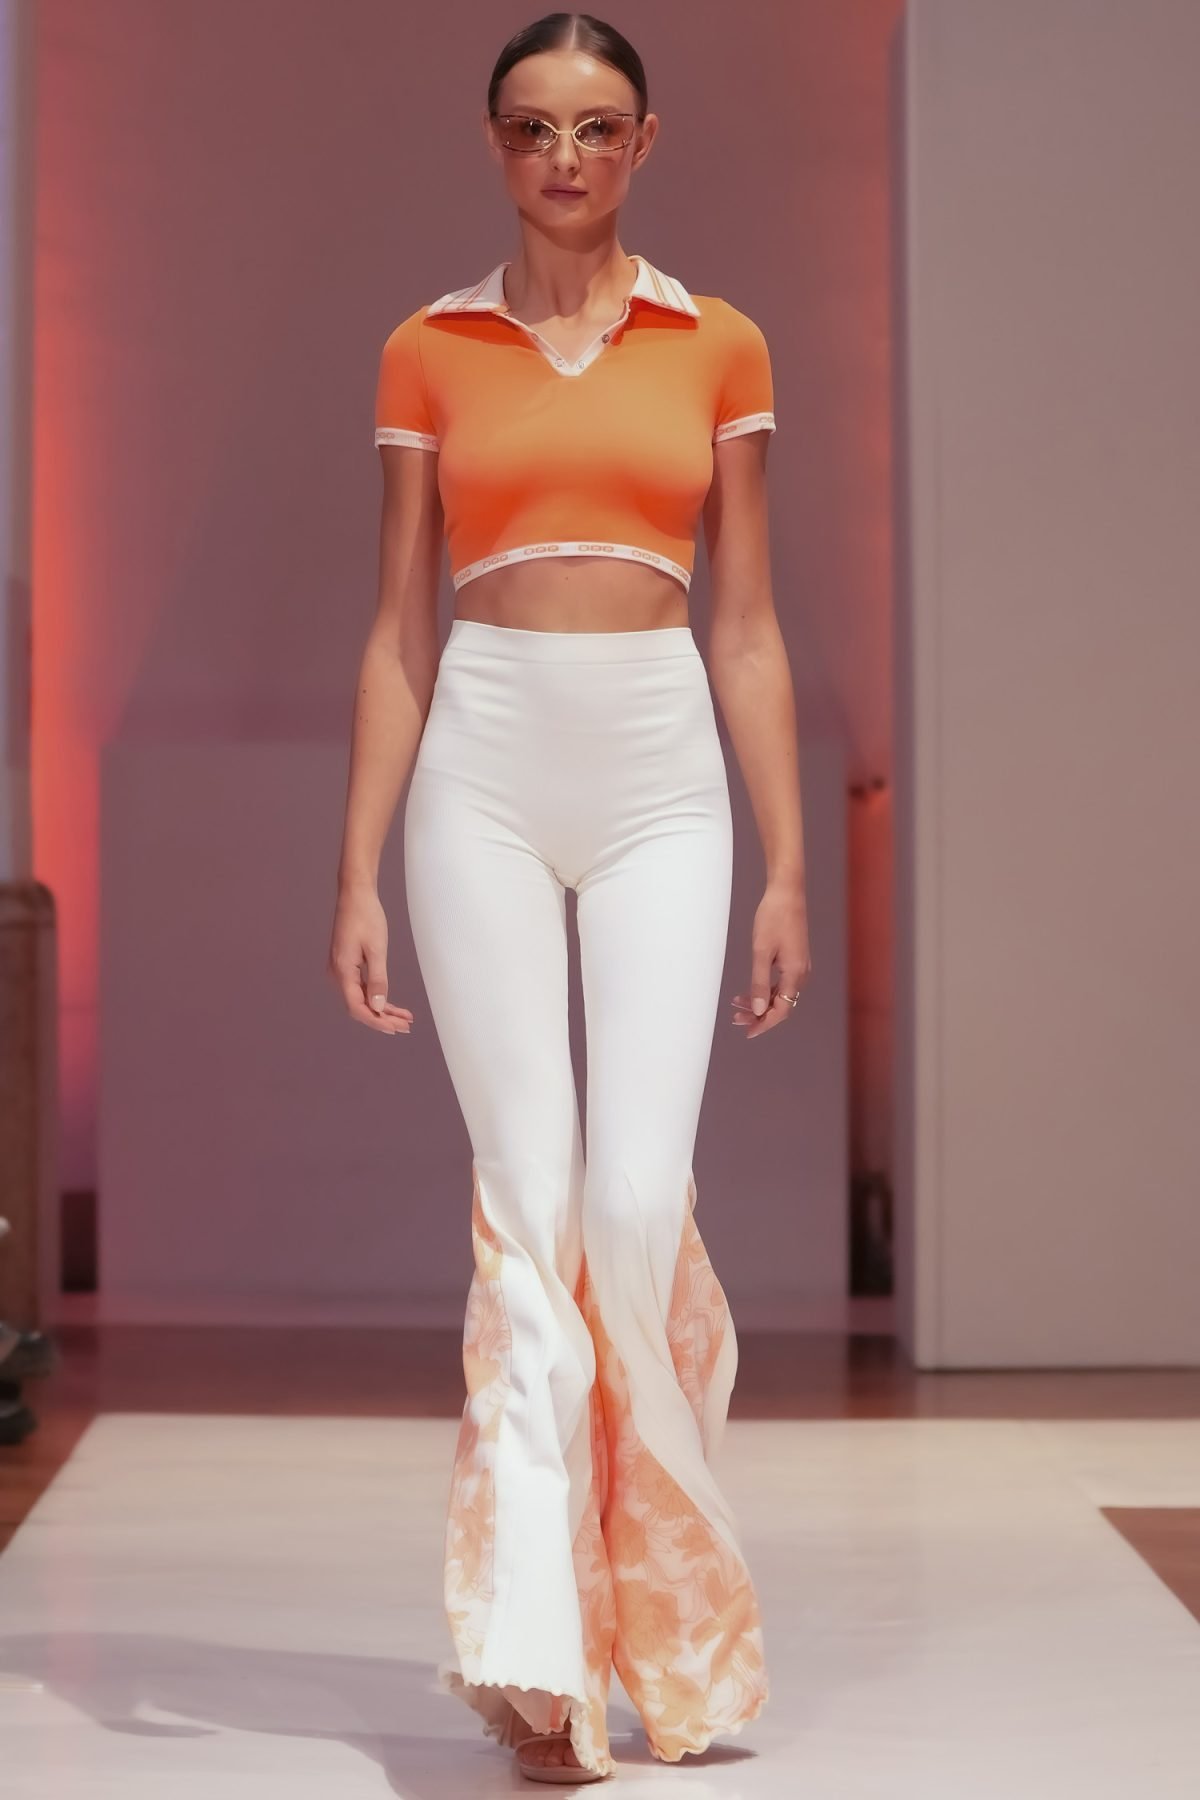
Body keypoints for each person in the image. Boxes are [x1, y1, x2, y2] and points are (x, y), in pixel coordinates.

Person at [328, 10, 811, 1784]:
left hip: (665, 774)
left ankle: (667, 1622)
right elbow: (398, 630)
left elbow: (746, 628)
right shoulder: (427, 349)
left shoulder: (720, 342)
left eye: (598, 129)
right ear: (496, 143)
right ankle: (541, 1661)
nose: (566, 159)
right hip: (480, 767)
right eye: (534, 128)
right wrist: (358, 863)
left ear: (644, 143)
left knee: (628, 1201)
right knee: (529, 1201)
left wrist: (788, 861)